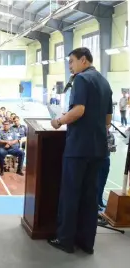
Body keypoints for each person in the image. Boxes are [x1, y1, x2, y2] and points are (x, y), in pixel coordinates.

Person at [49, 47, 113, 254]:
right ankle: (87, 243)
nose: (70, 67)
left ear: (83, 60)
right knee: (90, 197)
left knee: (70, 194)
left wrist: (59, 121)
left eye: (71, 63)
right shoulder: (104, 82)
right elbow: (108, 120)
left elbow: (78, 110)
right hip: (98, 149)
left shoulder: (81, 80)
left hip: (78, 149)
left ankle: (65, 240)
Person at [97, 128, 116, 210]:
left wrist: (111, 147)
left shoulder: (111, 135)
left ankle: (100, 200)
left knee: (102, 182)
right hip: (97, 160)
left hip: (106, 159)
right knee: (96, 182)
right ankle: (95, 203)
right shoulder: (97, 134)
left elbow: (113, 149)